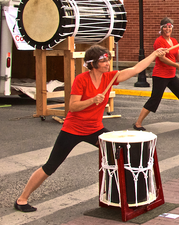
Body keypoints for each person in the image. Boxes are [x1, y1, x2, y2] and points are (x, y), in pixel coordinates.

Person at [14, 45, 168, 212]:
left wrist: (154, 54)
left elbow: (136, 68)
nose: (107, 63)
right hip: (72, 130)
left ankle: (125, 197)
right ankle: (22, 199)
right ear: (92, 63)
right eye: (103, 61)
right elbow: (72, 106)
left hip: (95, 130)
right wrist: (92, 100)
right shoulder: (81, 79)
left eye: (107, 59)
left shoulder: (109, 78)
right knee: (51, 165)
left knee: (124, 153)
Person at [133, 17, 179, 131]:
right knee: (155, 99)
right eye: (165, 27)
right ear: (161, 28)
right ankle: (138, 123)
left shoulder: (174, 41)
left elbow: (177, 56)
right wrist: (177, 66)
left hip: (171, 75)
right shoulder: (159, 41)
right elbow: (162, 58)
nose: (167, 29)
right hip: (160, 75)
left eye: (169, 27)